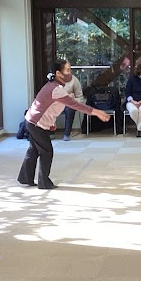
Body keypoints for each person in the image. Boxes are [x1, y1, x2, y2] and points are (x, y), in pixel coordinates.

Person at [18, 59, 111, 189]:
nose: (70, 73)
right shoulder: (56, 89)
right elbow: (75, 105)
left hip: (31, 121)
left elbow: (47, 106)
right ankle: (43, 183)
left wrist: (51, 123)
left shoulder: (51, 85)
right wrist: (97, 112)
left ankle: (25, 178)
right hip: (36, 124)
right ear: (58, 73)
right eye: (67, 70)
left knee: (34, 149)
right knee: (46, 151)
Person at [58, 63, 86, 141]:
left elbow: (80, 98)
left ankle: (66, 134)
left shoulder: (74, 80)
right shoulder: (54, 80)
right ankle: (49, 133)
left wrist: (72, 99)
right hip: (56, 103)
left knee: (70, 109)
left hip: (68, 104)